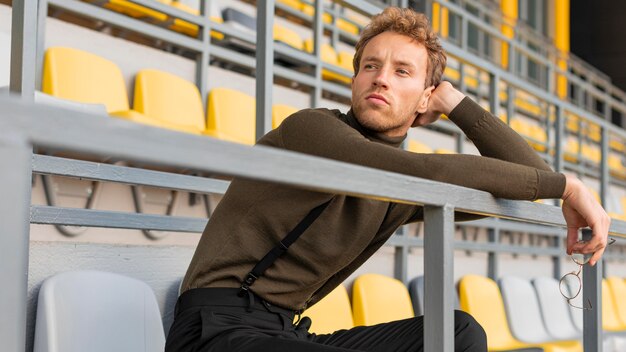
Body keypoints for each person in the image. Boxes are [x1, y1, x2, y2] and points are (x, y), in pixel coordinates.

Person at [165, 6, 610, 352]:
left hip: (284, 331)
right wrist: (569, 187)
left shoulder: (399, 192)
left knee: (457, 332)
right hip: (215, 331)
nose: (380, 79)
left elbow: (531, 176)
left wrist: (456, 102)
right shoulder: (311, 129)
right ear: (355, 78)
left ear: (424, 99)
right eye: (370, 66)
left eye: (402, 72)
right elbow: (424, 170)